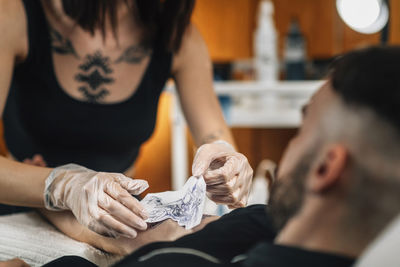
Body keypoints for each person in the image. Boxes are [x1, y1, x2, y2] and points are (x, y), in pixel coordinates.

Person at [39, 46, 400, 267]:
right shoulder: (266, 221)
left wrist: (49, 190)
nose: (291, 145)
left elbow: (158, 240)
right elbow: (153, 233)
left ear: (325, 168)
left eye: (302, 131)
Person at [0, 0, 252, 239]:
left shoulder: (178, 35)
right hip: (21, 210)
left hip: (117, 224)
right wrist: (63, 186)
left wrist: (226, 160)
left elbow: (214, 135)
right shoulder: (13, 14)